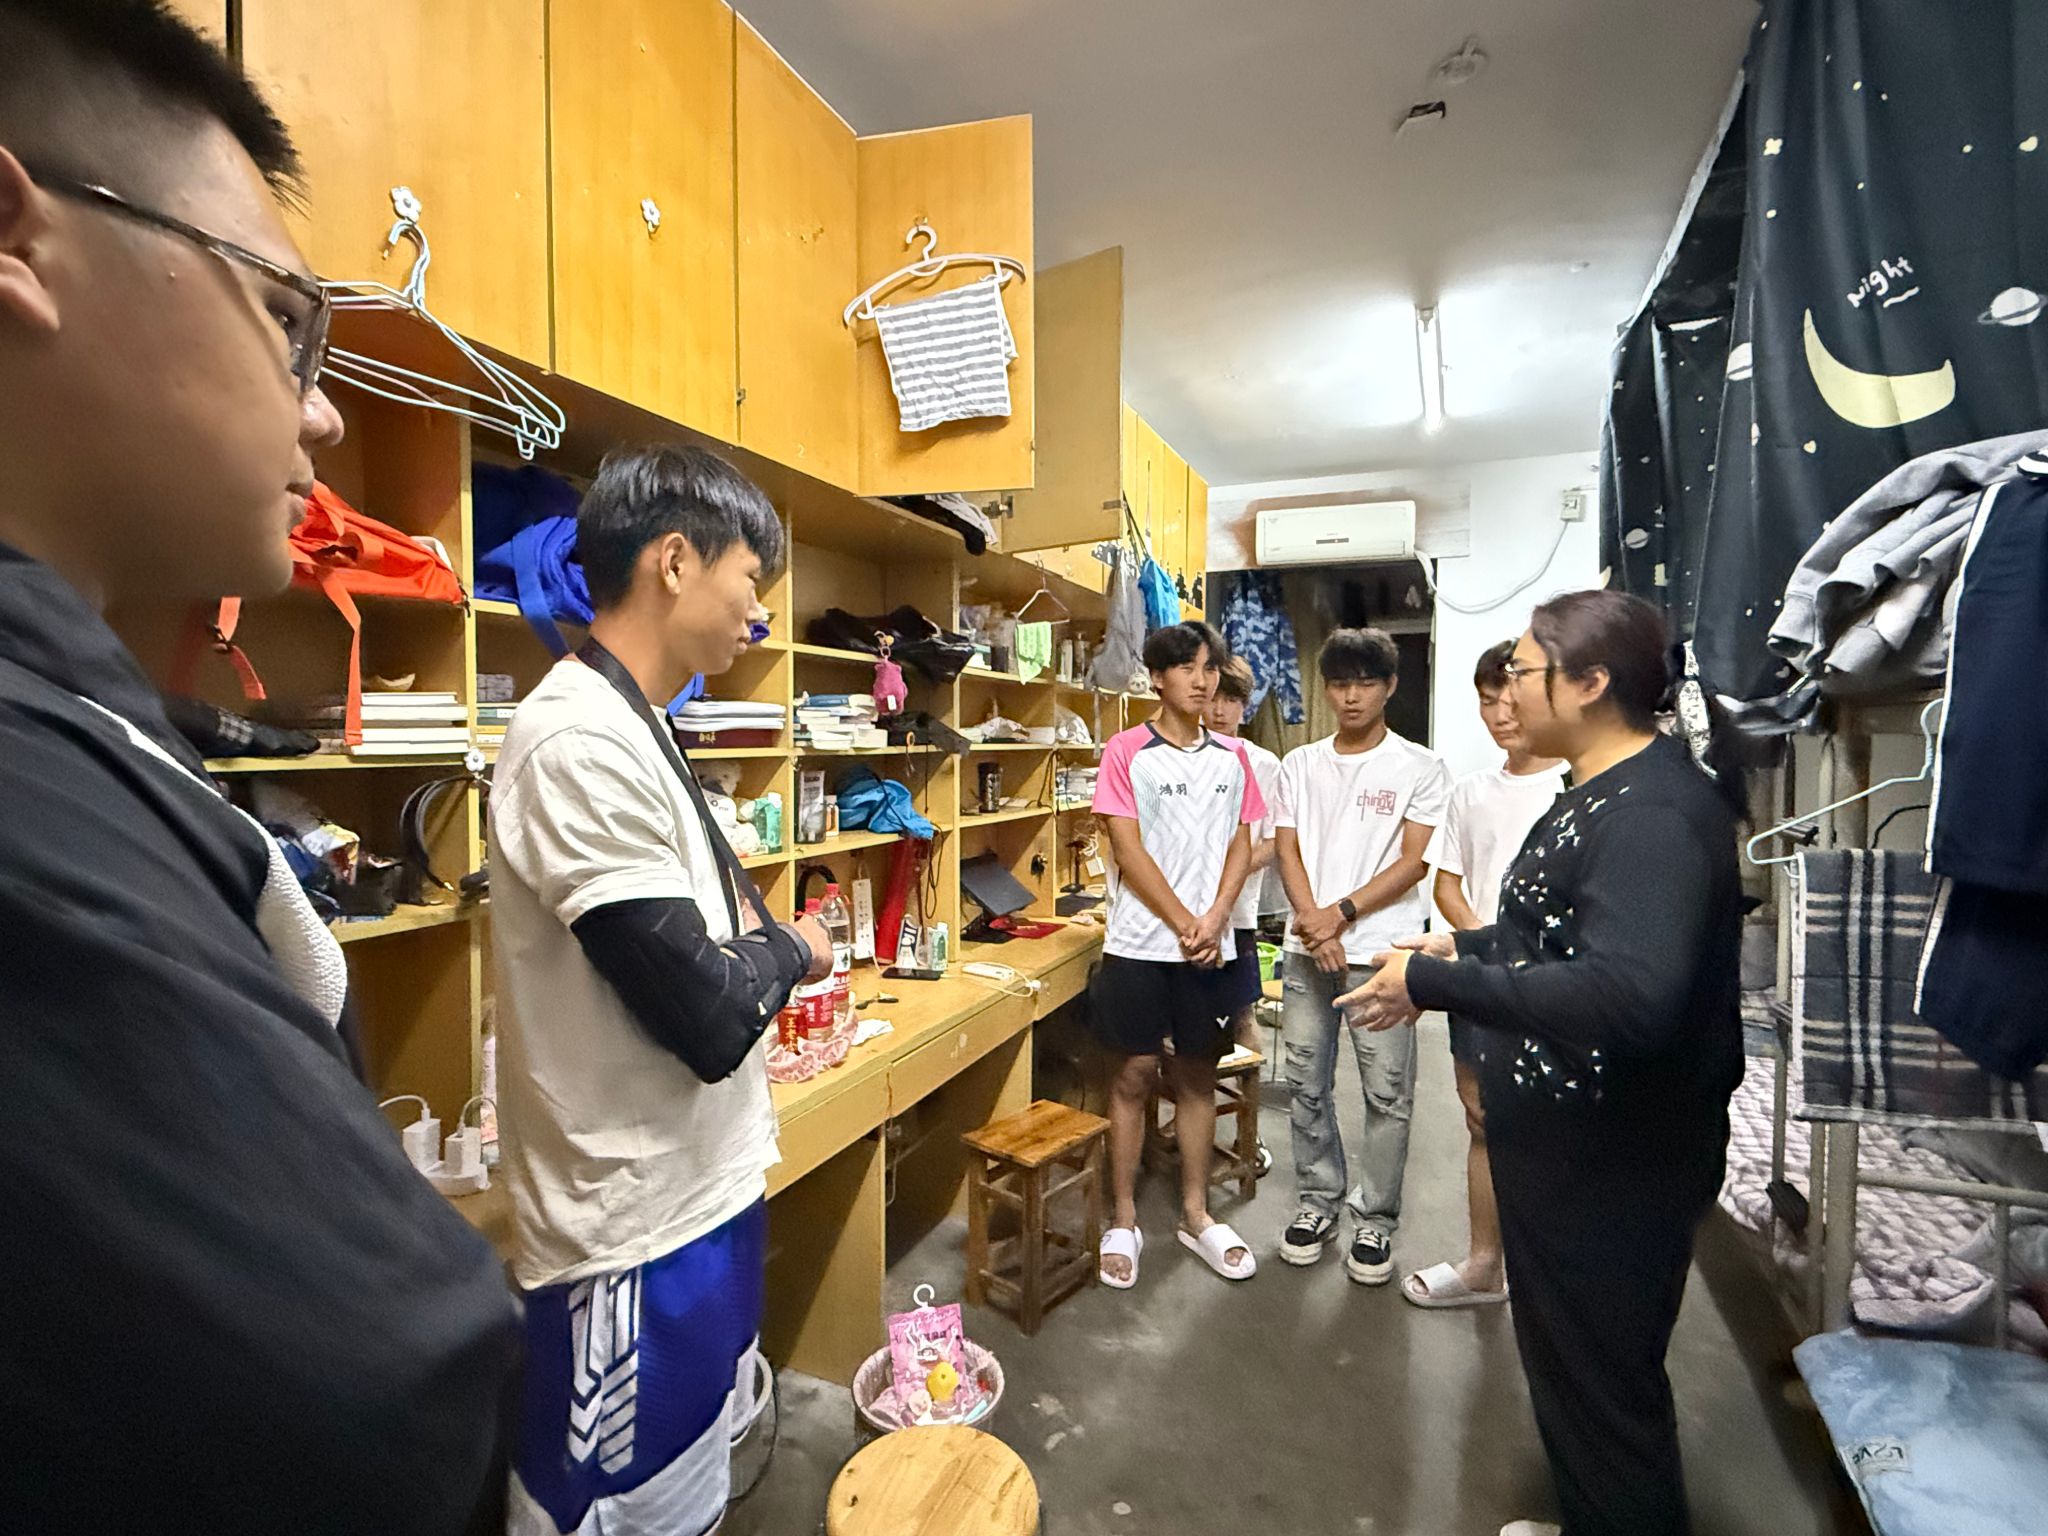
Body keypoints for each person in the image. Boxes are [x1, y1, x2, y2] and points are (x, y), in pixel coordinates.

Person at [0, 4, 523, 1532]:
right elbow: (371, 1398)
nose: (325, 409)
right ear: (18, 241)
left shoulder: (79, 715)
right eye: (288, 321)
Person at [1343, 591, 1746, 1536]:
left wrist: (1439, 984)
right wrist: (1464, 949)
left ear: (1591, 683)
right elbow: (1559, 938)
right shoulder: (1603, 788)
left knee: (1609, 1396)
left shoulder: (1653, 814)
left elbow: (1630, 996)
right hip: (1568, 1152)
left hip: (1616, 1167)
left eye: (1524, 671)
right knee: (1574, 1376)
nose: (1509, 692)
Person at [489, 445, 834, 1535]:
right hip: (627, 1236)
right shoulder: (577, 739)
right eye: (751, 583)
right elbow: (709, 1014)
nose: (759, 617)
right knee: (613, 1511)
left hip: (696, 1197)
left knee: (689, 1493)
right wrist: (799, 948)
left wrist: (763, 949)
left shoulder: (637, 718)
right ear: (675, 562)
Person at [1090, 620, 1265, 1287]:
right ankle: (1124, 1218)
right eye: (1187, 668)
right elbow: (1126, 847)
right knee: (1134, 1075)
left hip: (1210, 947)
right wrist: (1186, 921)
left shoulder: (1233, 757)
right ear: (1157, 678)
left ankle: (1196, 1213)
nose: (1202, 680)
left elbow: (1242, 841)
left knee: (1196, 1076)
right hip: (1139, 945)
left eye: (1209, 668)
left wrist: (1215, 918)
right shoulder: (1126, 751)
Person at [1272, 627, 1450, 1283]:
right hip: (1306, 952)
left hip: (1383, 957)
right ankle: (1317, 1200)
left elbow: (1414, 862)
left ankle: (1375, 1218)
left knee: (1387, 1092)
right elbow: (1287, 849)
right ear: (1327, 689)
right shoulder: (1299, 764)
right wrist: (1315, 929)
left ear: (1390, 687)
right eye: (1341, 684)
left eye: (1366, 683)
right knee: (1304, 1083)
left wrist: (1339, 915)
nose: (1352, 696)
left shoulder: (1420, 767)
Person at [1403, 640, 1566, 1309]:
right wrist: (1489, 945)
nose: (1500, 712)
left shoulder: (1574, 788)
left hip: (1557, 985)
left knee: (1554, 1125)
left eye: (1511, 696)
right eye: (1487, 699)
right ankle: (1483, 1265)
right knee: (1481, 1120)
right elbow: (1447, 885)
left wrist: (1520, 953)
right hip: (1480, 979)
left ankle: (1552, 1277)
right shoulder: (1470, 792)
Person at [1203, 653, 1282, 1172]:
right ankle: (1193, 1124)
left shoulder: (1263, 765)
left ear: (1245, 705)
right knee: (1184, 1025)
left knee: (1242, 1015)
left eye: (1231, 700)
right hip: (1183, 917)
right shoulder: (1180, 757)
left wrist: (1223, 882)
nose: (1220, 710)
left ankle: (1247, 1134)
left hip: (1238, 917)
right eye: (1213, 698)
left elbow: (1272, 842)